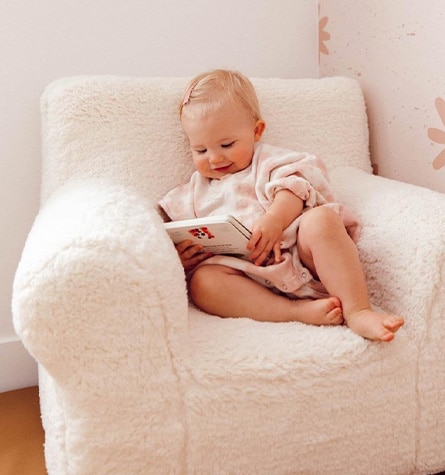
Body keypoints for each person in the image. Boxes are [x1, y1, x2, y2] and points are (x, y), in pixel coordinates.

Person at [159, 69, 404, 341]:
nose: (215, 158)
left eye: (227, 144)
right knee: (203, 283)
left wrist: (276, 219)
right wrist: (181, 258)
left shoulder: (268, 162)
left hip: (305, 259)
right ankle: (293, 311)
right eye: (201, 150)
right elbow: (177, 230)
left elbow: (298, 185)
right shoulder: (193, 191)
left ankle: (358, 311)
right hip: (249, 279)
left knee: (320, 221)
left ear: (256, 131)